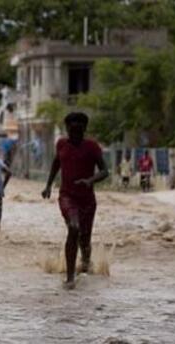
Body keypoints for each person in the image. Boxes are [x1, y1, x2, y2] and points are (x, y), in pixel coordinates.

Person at [41, 112, 108, 290]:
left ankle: (85, 266)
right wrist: (48, 185)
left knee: (84, 240)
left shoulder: (92, 147)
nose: (75, 135)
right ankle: (70, 277)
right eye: (72, 130)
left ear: (85, 129)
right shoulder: (61, 144)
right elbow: (56, 163)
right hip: (67, 196)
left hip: (87, 199)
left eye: (79, 131)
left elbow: (104, 171)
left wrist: (90, 180)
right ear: (67, 130)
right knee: (74, 227)